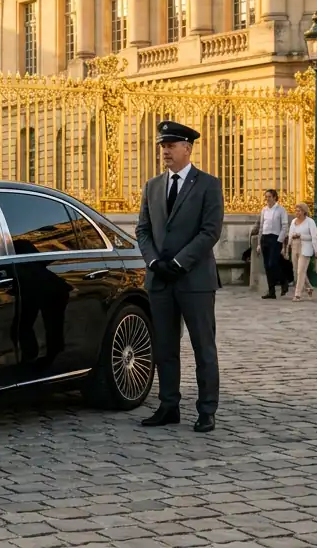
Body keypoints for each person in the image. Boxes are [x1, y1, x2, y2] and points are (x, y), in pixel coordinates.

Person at [134, 120, 224, 433]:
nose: (165, 152)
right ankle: (168, 405)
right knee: (165, 348)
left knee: (203, 347)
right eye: (162, 146)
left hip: (194, 280)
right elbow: (143, 230)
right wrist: (155, 261)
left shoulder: (208, 184)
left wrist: (179, 261)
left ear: (187, 148)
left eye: (170, 146)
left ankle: (206, 410)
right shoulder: (152, 186)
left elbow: (210, 231)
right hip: (160, 279)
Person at [252, 189, 290, 299]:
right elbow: (261, 226)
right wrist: (259, 243)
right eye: (266, 197)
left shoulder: (281, 210)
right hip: (265, 238)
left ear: (274, 197)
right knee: (267, 266)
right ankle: (271, 290)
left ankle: (283, 280)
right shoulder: (264, 210)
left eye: (269, 196)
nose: (267, 199)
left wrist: (280, 240)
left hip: (275, 238)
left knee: (272, 264)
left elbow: (284, 226)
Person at [285, 203, 317, 301]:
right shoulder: (293, 221)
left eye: (299, 210)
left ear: (304, 211)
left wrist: (316, 249)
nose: (297, 212)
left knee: (301, 271)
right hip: (295, 246)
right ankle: (309, 287)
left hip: (305, 247)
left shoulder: (310, 222)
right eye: (296, 210)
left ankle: (298, 294)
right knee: (297, 271)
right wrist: (288, 246)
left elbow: (314, 236)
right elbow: (290, 233)